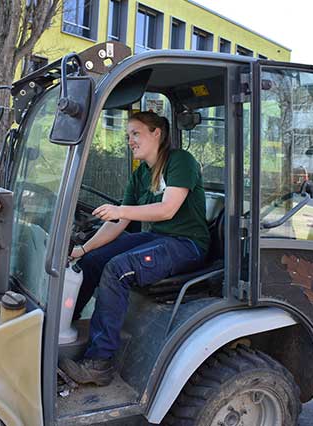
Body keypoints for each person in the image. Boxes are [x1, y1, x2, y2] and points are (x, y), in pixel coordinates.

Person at [59, 111, 210, 386]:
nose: (130, 140)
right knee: (94, 260)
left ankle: (99, 362)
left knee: (118, 269)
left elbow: (167, 209)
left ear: (157, 134)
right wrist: (83, 249)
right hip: (159, 239)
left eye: (136, 133)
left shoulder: (180, 161)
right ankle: (63, 328)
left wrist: (120, 209)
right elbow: (118, 222)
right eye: (128, 135)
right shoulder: (141, 174)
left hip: (187, 245)